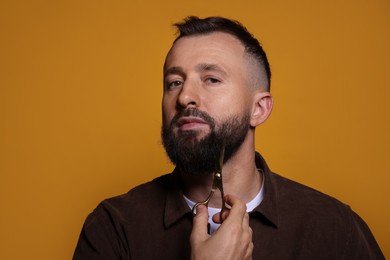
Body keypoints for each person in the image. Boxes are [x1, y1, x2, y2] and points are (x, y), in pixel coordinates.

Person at [73, 16, 384, 259]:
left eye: (211, 79)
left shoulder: (332, 227)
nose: (184, 97)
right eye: (174, 82)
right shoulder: (115, 227)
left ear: (258, 109)